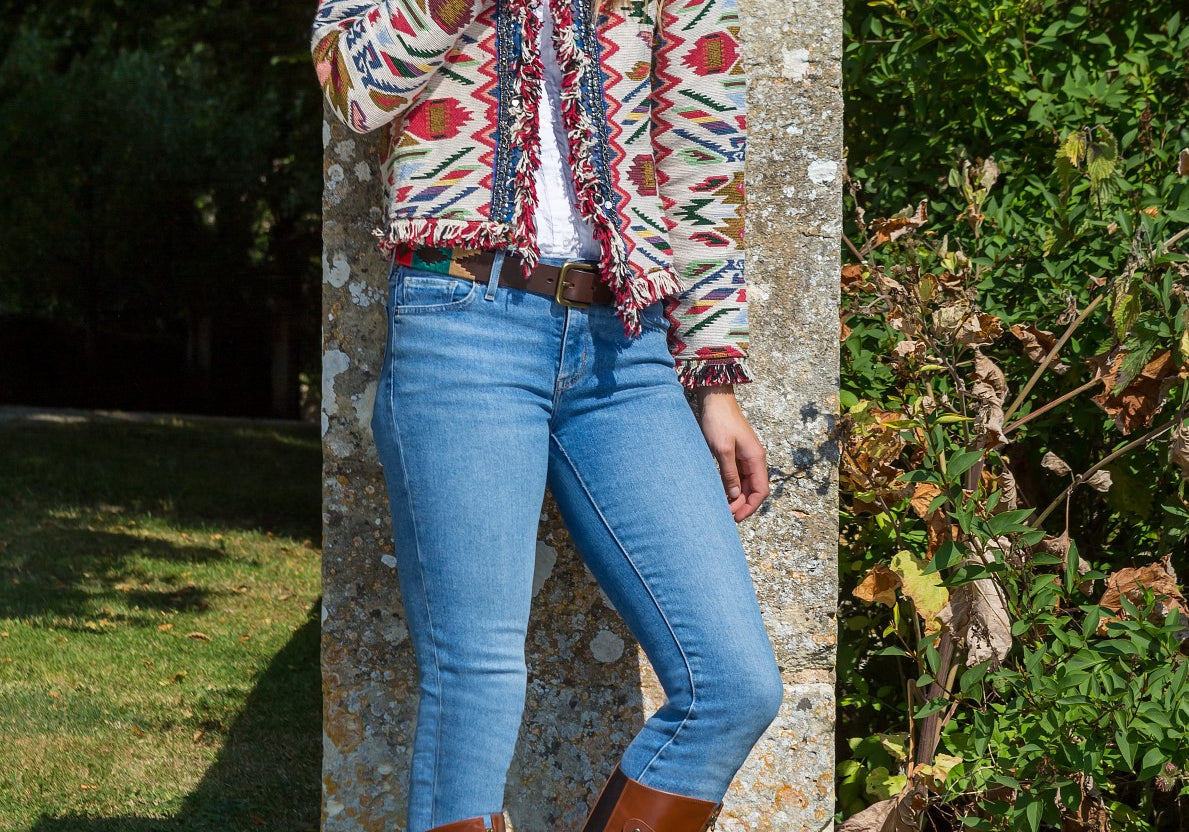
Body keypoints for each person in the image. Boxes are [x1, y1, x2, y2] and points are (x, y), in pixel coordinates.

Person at [310, 0, 783, 828]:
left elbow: (702, 152)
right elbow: (354, 88)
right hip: (461, 321)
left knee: (734, 685)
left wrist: (712, 377)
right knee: (476, 676)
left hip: (626, 349)